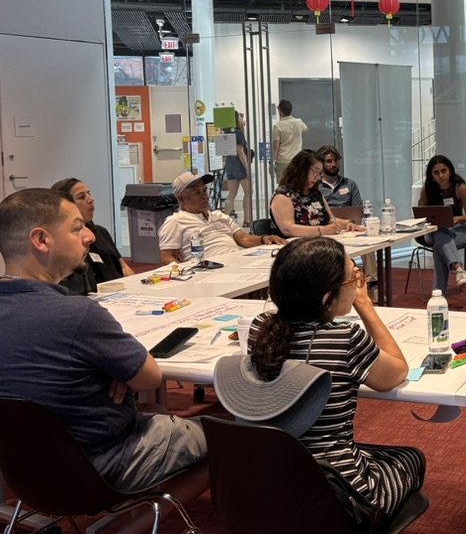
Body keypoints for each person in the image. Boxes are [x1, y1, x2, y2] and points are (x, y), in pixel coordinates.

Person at [0, 189, 206, 491]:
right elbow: (149, 378)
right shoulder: (78, 316)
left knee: (157, 416)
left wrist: (108, 364)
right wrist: (116, 367)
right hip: (102, 468)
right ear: (41, 240)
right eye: (76, 228)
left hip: (21, 472)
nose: (89, 236)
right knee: (224, 435)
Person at [247, 237, 425, 517]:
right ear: (327, 298)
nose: (356, 283)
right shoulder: (346, 339)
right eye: (351, 279)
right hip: (337, 495)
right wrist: (365, 305)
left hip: (272, 482)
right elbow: (396, 372)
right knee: (411, 458)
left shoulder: (260, 330)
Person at [159, 172, 284, 264]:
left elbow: (244, 238)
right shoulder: (175, 221)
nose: (204, 196)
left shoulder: (219, 216)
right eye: (197, 193)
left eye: (204, 191)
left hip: (237, 263)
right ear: (181, 198)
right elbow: (167, 258)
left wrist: (264, 239)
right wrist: (187, 274)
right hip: (206, 270)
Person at [51, 177, 134, 295]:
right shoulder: (64, 241)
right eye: (81, 197)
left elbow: (123, 267)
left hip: (121, 294)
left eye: (89, 194)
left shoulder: (101, 232)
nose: (90, 199)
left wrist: (136, 287)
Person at [317, 144, 376, 286]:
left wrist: (350, 223)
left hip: (351, 226)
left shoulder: (349, 184)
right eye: (329, 161)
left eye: (335, 161)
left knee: (368, 242)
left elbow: (358, 209)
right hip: (329, 229)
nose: (334, 164)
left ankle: (373, 282)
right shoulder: (316, 188)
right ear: (321, 164)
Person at [417, 155, 466, 293]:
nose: (441, 175)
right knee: (439, 233)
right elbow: (421, 214)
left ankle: (439, 291)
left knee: (440, 245)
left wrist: (457, 219)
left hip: (458, 231)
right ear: (431, 176)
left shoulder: (459, 188)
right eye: (436, 172)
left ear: (450, 171)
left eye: (444, 171)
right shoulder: (427, 189)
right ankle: (458, 267)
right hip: (432, 231)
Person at [271, 149, 362, 238]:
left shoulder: (315, 194)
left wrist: (347, 224)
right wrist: (323, 230)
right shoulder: (282, 196)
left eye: (320, 173)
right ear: (301, 170)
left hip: (318, 242)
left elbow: (330, 220)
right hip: (295, 247)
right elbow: (288, 229)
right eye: (315, 171)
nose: (318, 177)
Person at [223, 110, 252, 226]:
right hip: (239, 165)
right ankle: (247, 220)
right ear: (236, 120)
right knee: (249, 192)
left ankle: (224, 220)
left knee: (231, 194)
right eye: (240, 116)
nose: (242, 118)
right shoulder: (239, 134)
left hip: (229, 165)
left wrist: (242, 127)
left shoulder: (227, 132)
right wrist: (247, 168)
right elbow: (240, 151)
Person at [272, 99, 308, 180]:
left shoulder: (278, 126)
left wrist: (273, 160)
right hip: (297, 159)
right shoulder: (298, 122)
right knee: (296, 182)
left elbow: (276, 147)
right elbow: (306, 129)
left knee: (284, 183)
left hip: (282, 160)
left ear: (280, 111)